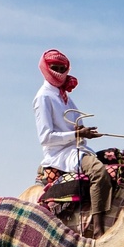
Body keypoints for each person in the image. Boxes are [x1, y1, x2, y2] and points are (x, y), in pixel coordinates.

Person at [33, 49, 113, 233]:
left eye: (63, 68)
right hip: (60, 154)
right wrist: (78, 135)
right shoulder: (43, 97)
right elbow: (45, 137)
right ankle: (99, 229)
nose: (59, 72)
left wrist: (83, 132)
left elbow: (71, 126)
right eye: (55, 68)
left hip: (77, 148)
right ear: (45, 68)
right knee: (99, 173)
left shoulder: (64, 97)